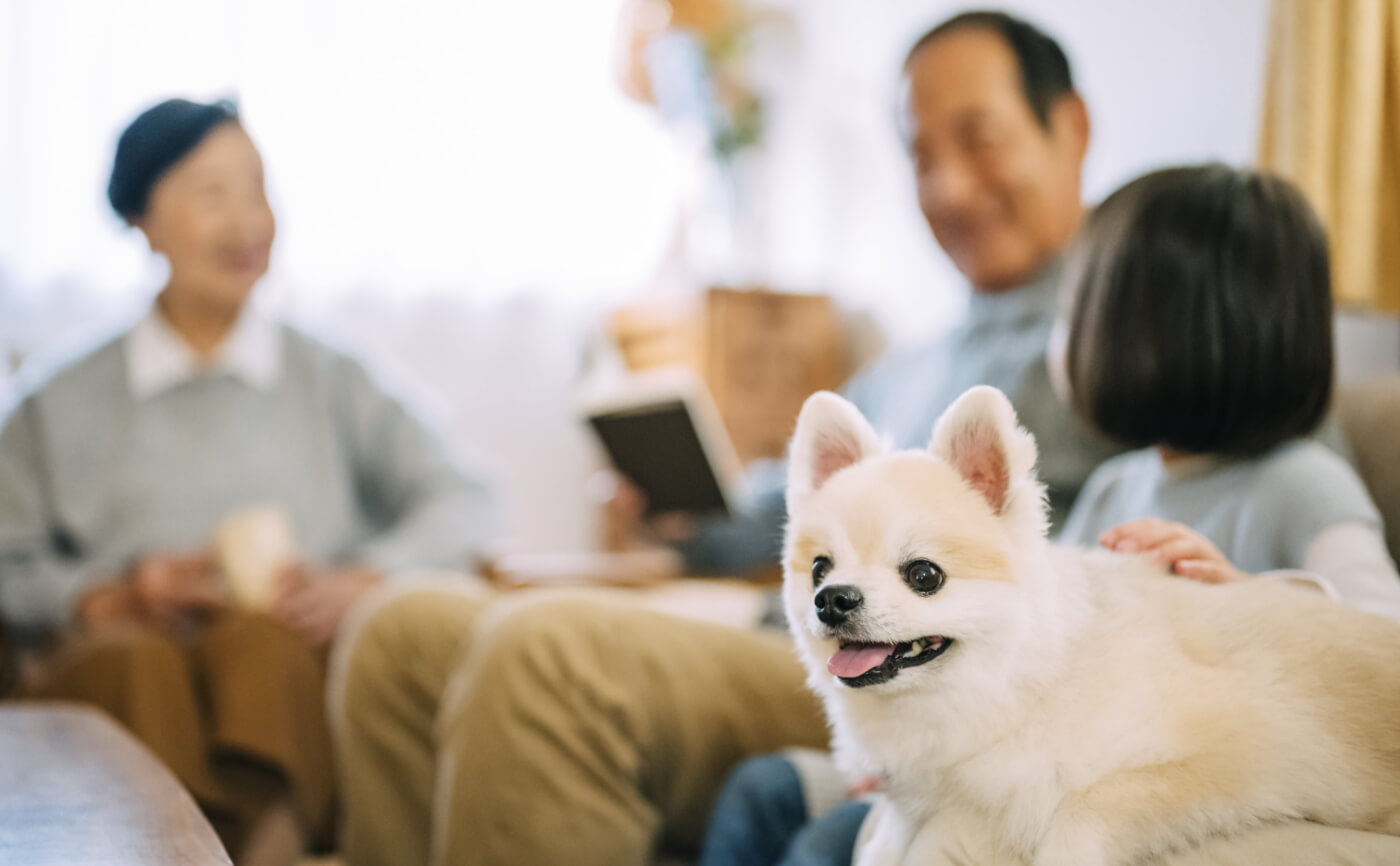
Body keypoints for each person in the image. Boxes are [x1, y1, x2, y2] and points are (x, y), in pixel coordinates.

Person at [331, 11, 1124, 866]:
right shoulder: (910, 364)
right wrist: (689, 515)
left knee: (547, 656)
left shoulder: (1130, 347)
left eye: (981, 139)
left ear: (1070, 127)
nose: (950, 188)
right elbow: (782, 512)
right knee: (399, 630)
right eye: (922, 157)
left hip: (911, 681)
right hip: (783, 626)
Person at [709, 163, 1400, 866]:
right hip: (959, 756)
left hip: (1136, 760)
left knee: (831, 841)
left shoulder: (1301, 484)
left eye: (1075, 310)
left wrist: (1248, 587)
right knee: (767, 793)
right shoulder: (1114, 486)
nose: (1053, 335)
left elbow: (1376, 628)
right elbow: (1030, 647)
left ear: (1162, 331)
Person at [0, 98, 498, 865]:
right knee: (137, 657)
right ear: (142, 218)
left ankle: (269, 846)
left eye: (259, 190)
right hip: (123, 674)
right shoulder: (52, 401)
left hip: (282, 665)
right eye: (212, 194)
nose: (248, 222)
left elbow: (465, 498)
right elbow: (10, 562)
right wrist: (105, 596)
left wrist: (363, 579)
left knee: (264, 641)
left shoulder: (330, 378)